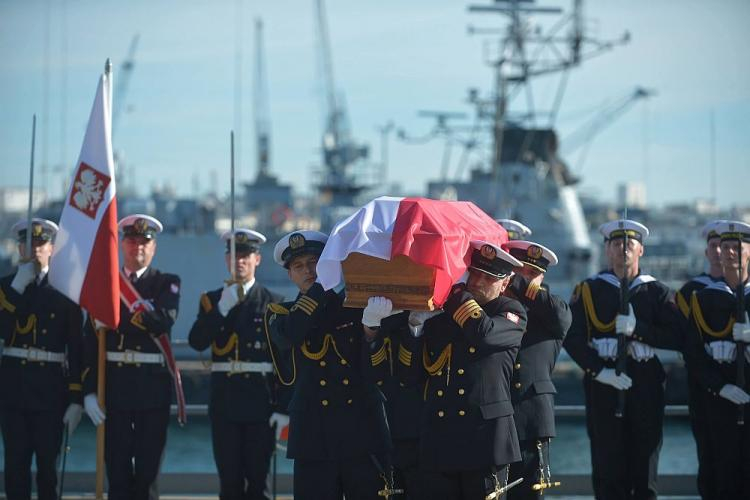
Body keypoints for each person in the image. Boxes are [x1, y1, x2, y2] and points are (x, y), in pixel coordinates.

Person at [264, 230, 391, 500]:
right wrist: (321, 287)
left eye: (314, 263)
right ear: (290, 275)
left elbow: (375, 364)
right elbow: (291, 335)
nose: (308, 270)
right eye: (298, 266)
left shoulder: (354, 305)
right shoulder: (281, 315)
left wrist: (371, 329)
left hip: (360, 429)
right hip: (314, 435)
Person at [398, 240, 528, 499]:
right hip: (440, 439)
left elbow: (483, 333)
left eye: (488, 278)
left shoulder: (511, 312)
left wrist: (455, 290)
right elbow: (411, 375)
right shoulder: (443, 317)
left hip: (484, 443)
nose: (477, 282)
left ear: (504, 284)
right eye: (475, 273)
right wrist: (414, 328)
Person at [563, 219, 683, 500]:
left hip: (645, 383)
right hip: (603, 384)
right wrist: (598, 370)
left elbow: (678, 338)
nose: (623, 250)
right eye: (616, 244)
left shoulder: (657, 292)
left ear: (641, 250)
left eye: (629, 245)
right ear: (607, 250)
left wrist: (638, 331)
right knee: (607, 469)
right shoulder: (589, 291)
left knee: (644, 468)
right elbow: (573, 337)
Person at [82, 214, 181, 500]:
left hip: (153, 389)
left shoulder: (167, 282)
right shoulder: (105, 284)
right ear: (122, 244)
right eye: (132, 240)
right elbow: (90, 344)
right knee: (117, 472)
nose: (138, 246)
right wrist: (88, 391)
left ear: (154, 247)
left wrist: (112, 319)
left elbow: (162, 320)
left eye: (145, 241)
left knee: (148, 476)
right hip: (114, 388)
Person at [188, 229, 284, 500]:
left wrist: (283, 407)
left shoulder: (273, 303)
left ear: (257, 259)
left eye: (245, 255)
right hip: (225, 403)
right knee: (229, 485)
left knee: (258, 485)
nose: (239, 261)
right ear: (226, 259)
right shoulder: (213, 300)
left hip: (261, 403)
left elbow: (284, 362)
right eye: (233, 254)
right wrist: (221, 310)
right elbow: (197, 341)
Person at [0, 219, 84, 500]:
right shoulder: (5, 288)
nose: (34, 249)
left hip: (50, 391)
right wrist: (16, 289)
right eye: (28, 243)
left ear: (51, 248)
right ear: (19, 247)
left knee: (48, 470)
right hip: (14, 389)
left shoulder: (66, 292)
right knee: (15, 468)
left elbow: (77, 349)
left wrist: (76, 399)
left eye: (41, 243)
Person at [683, 220, 750, 499]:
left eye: (737, 247)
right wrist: (720, 387)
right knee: (720, 479)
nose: (730, 253)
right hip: (718, 404)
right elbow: (694, 354)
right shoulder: (703, 300)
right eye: (725, 247)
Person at [502, 239, 571, 500]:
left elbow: (562, 318)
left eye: (533, 274)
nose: (526, 278)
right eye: (520, 270)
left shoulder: (550, 310)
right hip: (495, 416)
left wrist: (517, 283)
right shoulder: (497, 307)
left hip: (531, 420)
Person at [675, 220, 724, 500]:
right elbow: (684, 341)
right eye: (715, 246)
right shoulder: (690, 292)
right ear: (706, 251)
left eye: (727, 247)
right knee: (710, 465)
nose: (720, 253)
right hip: (704, 391)